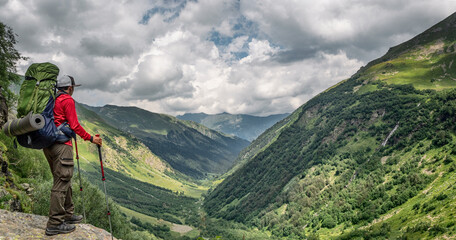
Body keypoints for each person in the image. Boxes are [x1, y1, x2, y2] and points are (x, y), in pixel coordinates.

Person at [44, 75, 102, 236]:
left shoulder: (51, 99)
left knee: (64, 180)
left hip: (48, 145)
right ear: (70, 88)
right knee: (61, 182)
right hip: (62, 146)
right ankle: (55, 223)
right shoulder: (67, 100)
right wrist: (91, 138)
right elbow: (75, 125)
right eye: (73, 87)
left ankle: (67, 215)